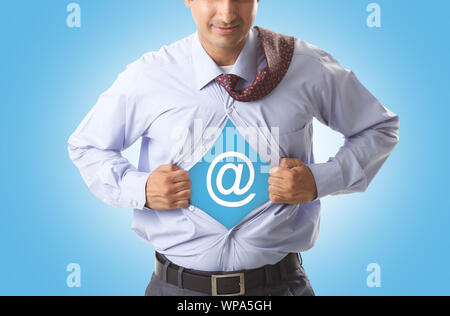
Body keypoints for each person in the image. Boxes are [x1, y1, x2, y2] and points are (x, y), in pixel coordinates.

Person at [67, 0, 399, 296]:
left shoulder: (304, 65)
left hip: (281, 288)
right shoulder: (149, 75)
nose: (226, 12)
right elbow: (87, 146)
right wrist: (140, 188)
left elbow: (378, 127)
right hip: (175, 290)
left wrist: (319, 180)